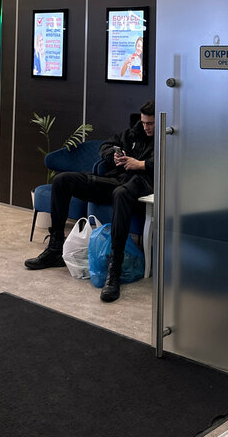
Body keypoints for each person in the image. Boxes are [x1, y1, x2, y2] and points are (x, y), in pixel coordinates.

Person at [24, 100, 155, 302]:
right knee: (62, 180)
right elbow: (106, 146)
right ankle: (55, 248)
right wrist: (114, 156)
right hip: (115, 180)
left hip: (141, 187)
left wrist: (141, 164)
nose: (145, 127)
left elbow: (172, 162)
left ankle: (114, 269)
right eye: (144, 122)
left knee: (121, 193)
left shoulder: (169, 138)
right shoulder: (134, 133)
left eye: (150, 124)